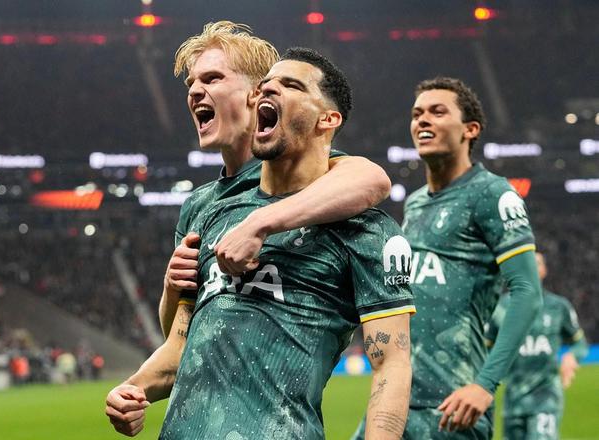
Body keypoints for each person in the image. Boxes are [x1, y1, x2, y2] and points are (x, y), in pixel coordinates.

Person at [105, 22, 392, 437]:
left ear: (257, 94)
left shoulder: (303, 173)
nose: (195, 91)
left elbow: (371, 178)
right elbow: (190, 340)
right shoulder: (201, 205)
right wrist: (134, 387)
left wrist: (258, 224)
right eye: (191, 82)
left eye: (212, 78)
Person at [353, 77, 542, 439]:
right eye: (417, 114)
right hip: (394, 398)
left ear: (470, 129)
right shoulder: (415, 202)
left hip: (451, 406)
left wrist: (485, 385)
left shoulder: (492, 193)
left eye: (438, 112)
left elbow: (527, 291)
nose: (422, 120)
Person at [486, 252, 588, 440]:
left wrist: (571, 356)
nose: (531, 266)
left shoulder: (559, 306)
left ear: (544, 270)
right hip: (513, 401)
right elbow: (484, 348)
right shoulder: (500, 308)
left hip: (545, 397)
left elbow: (580, 343)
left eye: (537, 263)